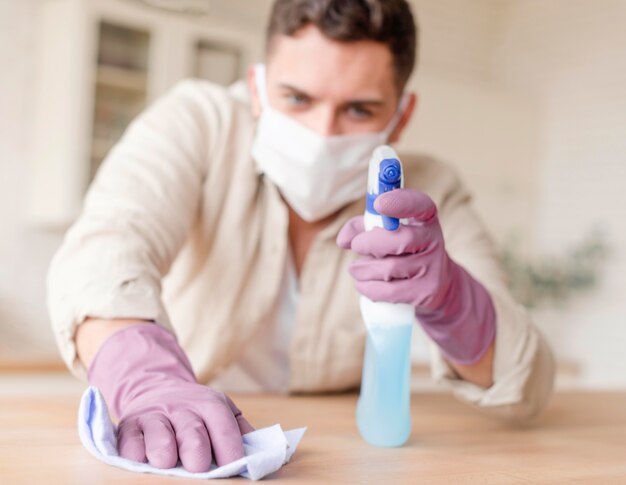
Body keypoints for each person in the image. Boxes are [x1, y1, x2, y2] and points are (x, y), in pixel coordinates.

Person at [47, 0, 555, 474]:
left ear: (402, 114)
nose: (322, 133)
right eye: (296, 98)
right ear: (257, 86)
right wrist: (150, 380)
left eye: (359, 109)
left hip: (339, 458)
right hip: (184, 437)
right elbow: (103, 252)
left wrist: (451, 297)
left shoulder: (431, 188)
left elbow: (526, 386)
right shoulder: (198, 124)